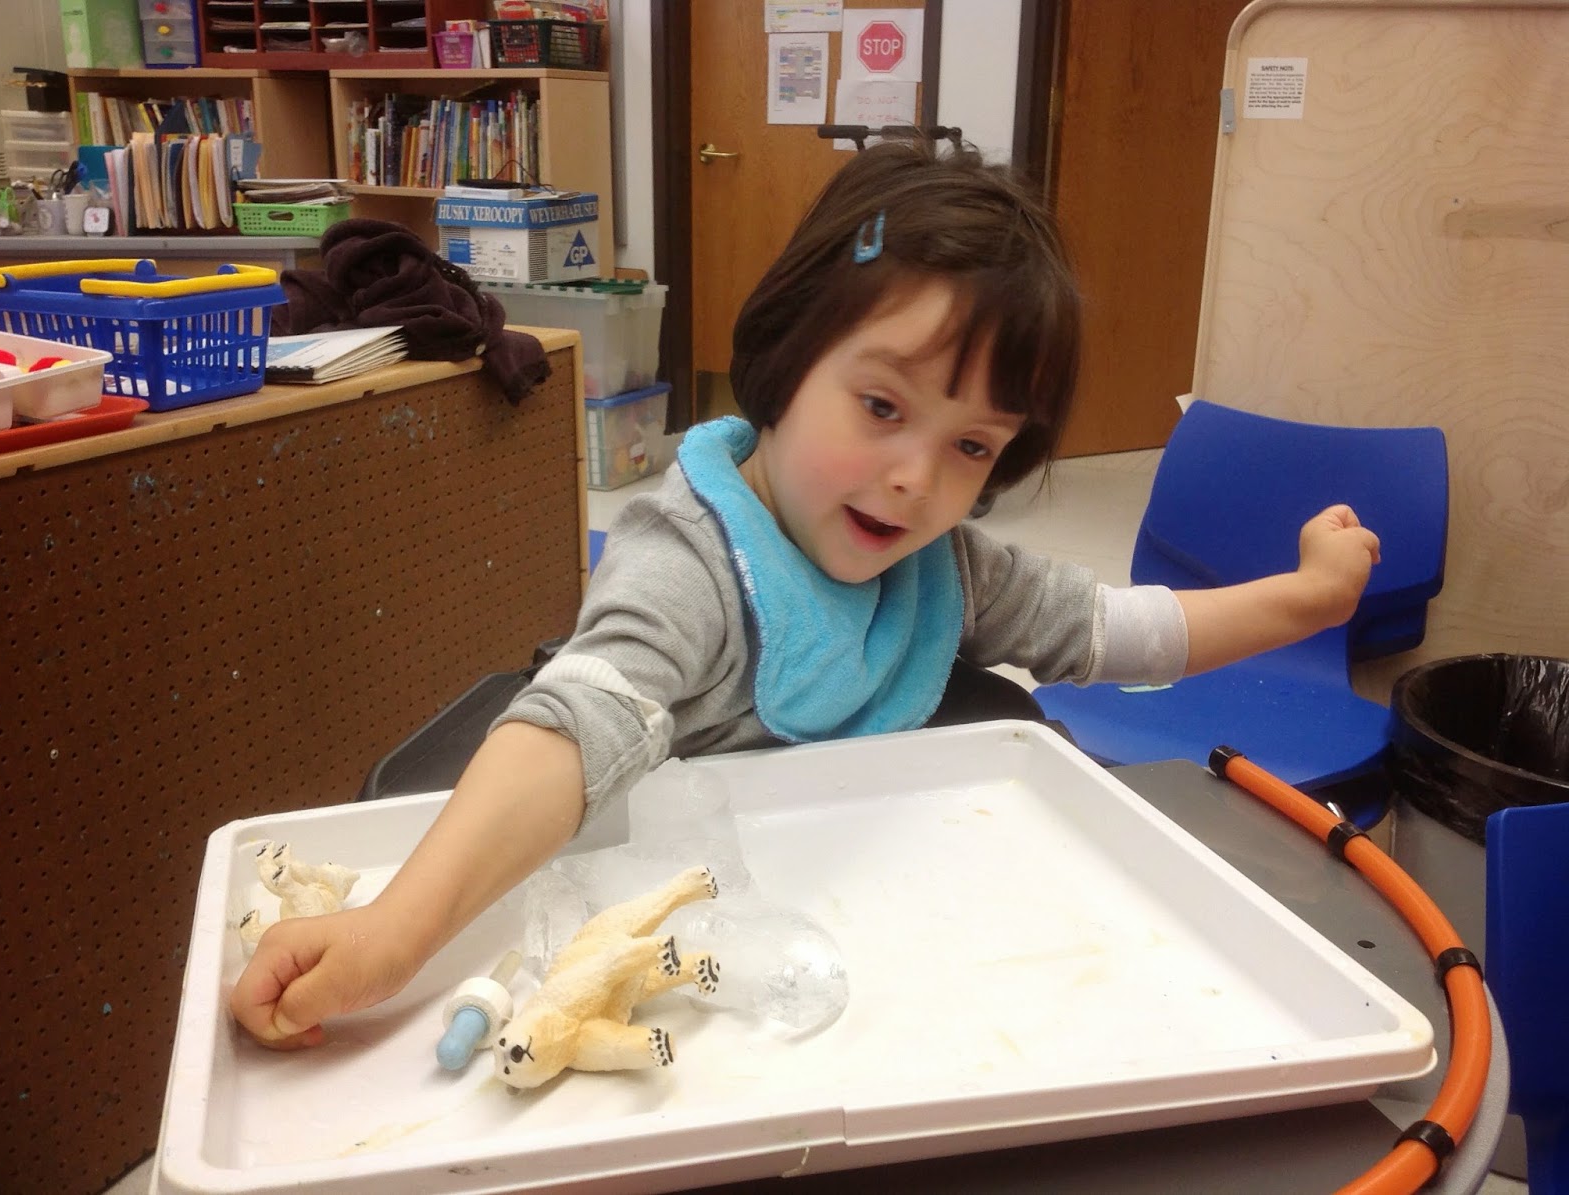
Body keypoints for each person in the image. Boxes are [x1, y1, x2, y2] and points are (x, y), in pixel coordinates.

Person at [231, 137, 1380, 1049]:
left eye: (971, 445)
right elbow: (574, 727)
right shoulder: (692, 561)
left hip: (855, 922)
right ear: (785, 363)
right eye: (881, 407)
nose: (915, 478)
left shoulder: (940, 563)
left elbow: (1116, 630)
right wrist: (396, 931)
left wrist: (1304, 599)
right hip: (673, 949)